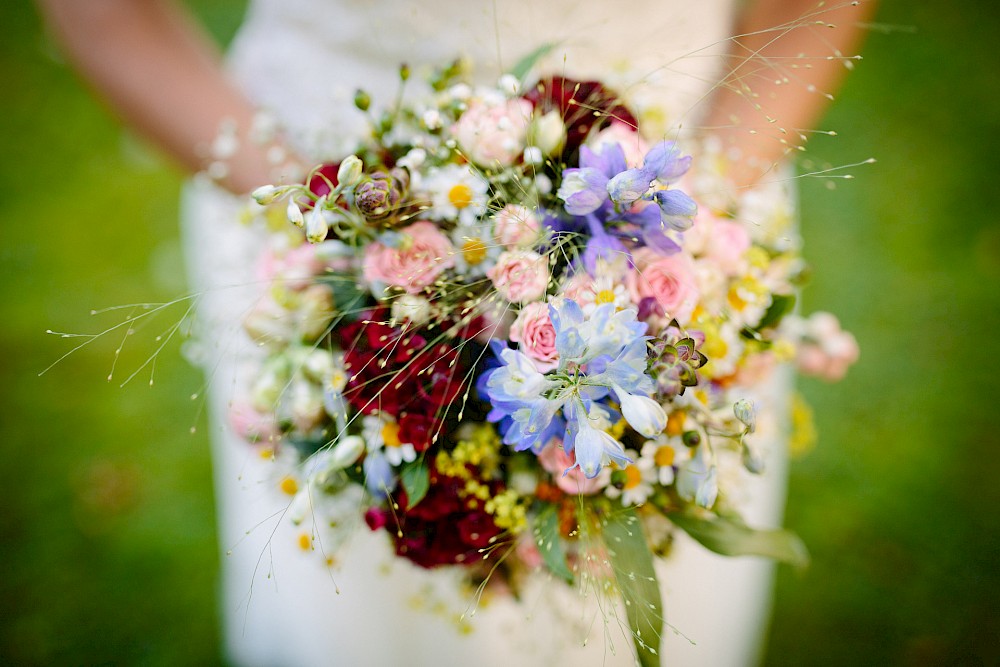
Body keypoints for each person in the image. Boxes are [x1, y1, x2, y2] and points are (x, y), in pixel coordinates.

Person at [36, 1, 874, 664]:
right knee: (362, 624)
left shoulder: (684, 250)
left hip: (691, 187)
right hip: (310, 198)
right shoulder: (334, 245)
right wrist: (341, 231)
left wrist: (685, 234)